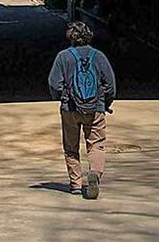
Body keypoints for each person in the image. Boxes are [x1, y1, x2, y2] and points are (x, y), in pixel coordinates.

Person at [48, 21, 116, 199]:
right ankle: (94, 172)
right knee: (96, 144)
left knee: (71, 147)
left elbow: (54, 84)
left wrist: (62, 98)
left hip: (70, 108)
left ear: (71, 37)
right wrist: (105, 103)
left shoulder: (63, 57)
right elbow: (110, 85)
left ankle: (76, 184)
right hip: (95, 109)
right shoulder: (99, 56)